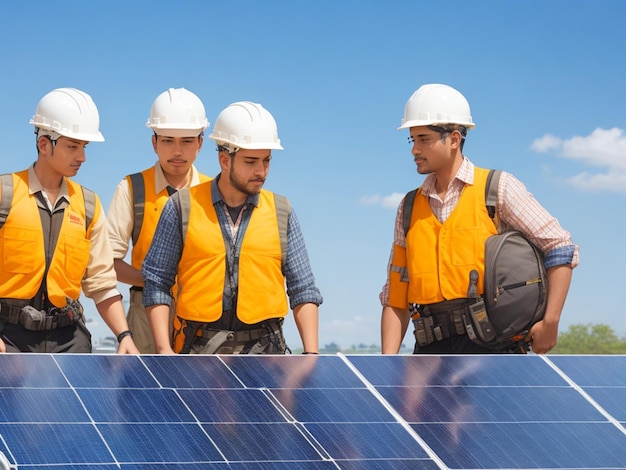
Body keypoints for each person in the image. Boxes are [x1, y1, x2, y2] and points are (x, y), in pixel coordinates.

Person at [380, 83, 579, 355]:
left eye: (423, 139)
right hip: (429, 354)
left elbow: (560, 247)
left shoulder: (498, 189)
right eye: (412, 139)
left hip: (493, 350)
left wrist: (551, 321)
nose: (414, 149)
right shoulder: (409, 206)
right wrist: (386, 364)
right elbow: (396, 296)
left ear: (453, 139)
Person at [142, 101, 322, 354]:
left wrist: (311, 353)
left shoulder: (283, 212)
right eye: (251, 162)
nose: (261, 171)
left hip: (267, 355)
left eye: (267, 161)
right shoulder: (181, 207)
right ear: (225, 159)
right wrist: (164, 349)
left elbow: (303, 289)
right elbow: (157, 281)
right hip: (196, 352)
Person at [0, 87, 139, 354]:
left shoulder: (88, 205)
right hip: (8, 337)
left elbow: (102, 282)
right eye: (72, 146)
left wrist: (124, 336)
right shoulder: (5, 194)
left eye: (84, 147)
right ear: (44, 144)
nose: (82, 157)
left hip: (68, 338)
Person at [106, 87, 210, 353]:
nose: (177, 151)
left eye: (186, 141)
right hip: (145, 315)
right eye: (167, 140)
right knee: (146, 392)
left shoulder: (215, 191)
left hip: (205, 316)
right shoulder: (132, 188)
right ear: (154, 142)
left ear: (200, 142)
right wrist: (157, 282)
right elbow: (109, 263)